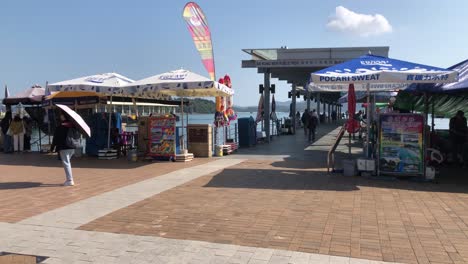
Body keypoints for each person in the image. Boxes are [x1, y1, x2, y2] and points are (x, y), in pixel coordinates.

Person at [51, 112, 77, 186]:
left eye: (61, 115)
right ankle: (70, 179)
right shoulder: (73, 126)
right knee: (68, 162)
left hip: (64, 146)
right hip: (72, 146)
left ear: (64, 117)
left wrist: (52, 148)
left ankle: (70, 180)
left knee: (66, 163)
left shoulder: (60, 127)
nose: (60, 116)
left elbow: (55, 138)